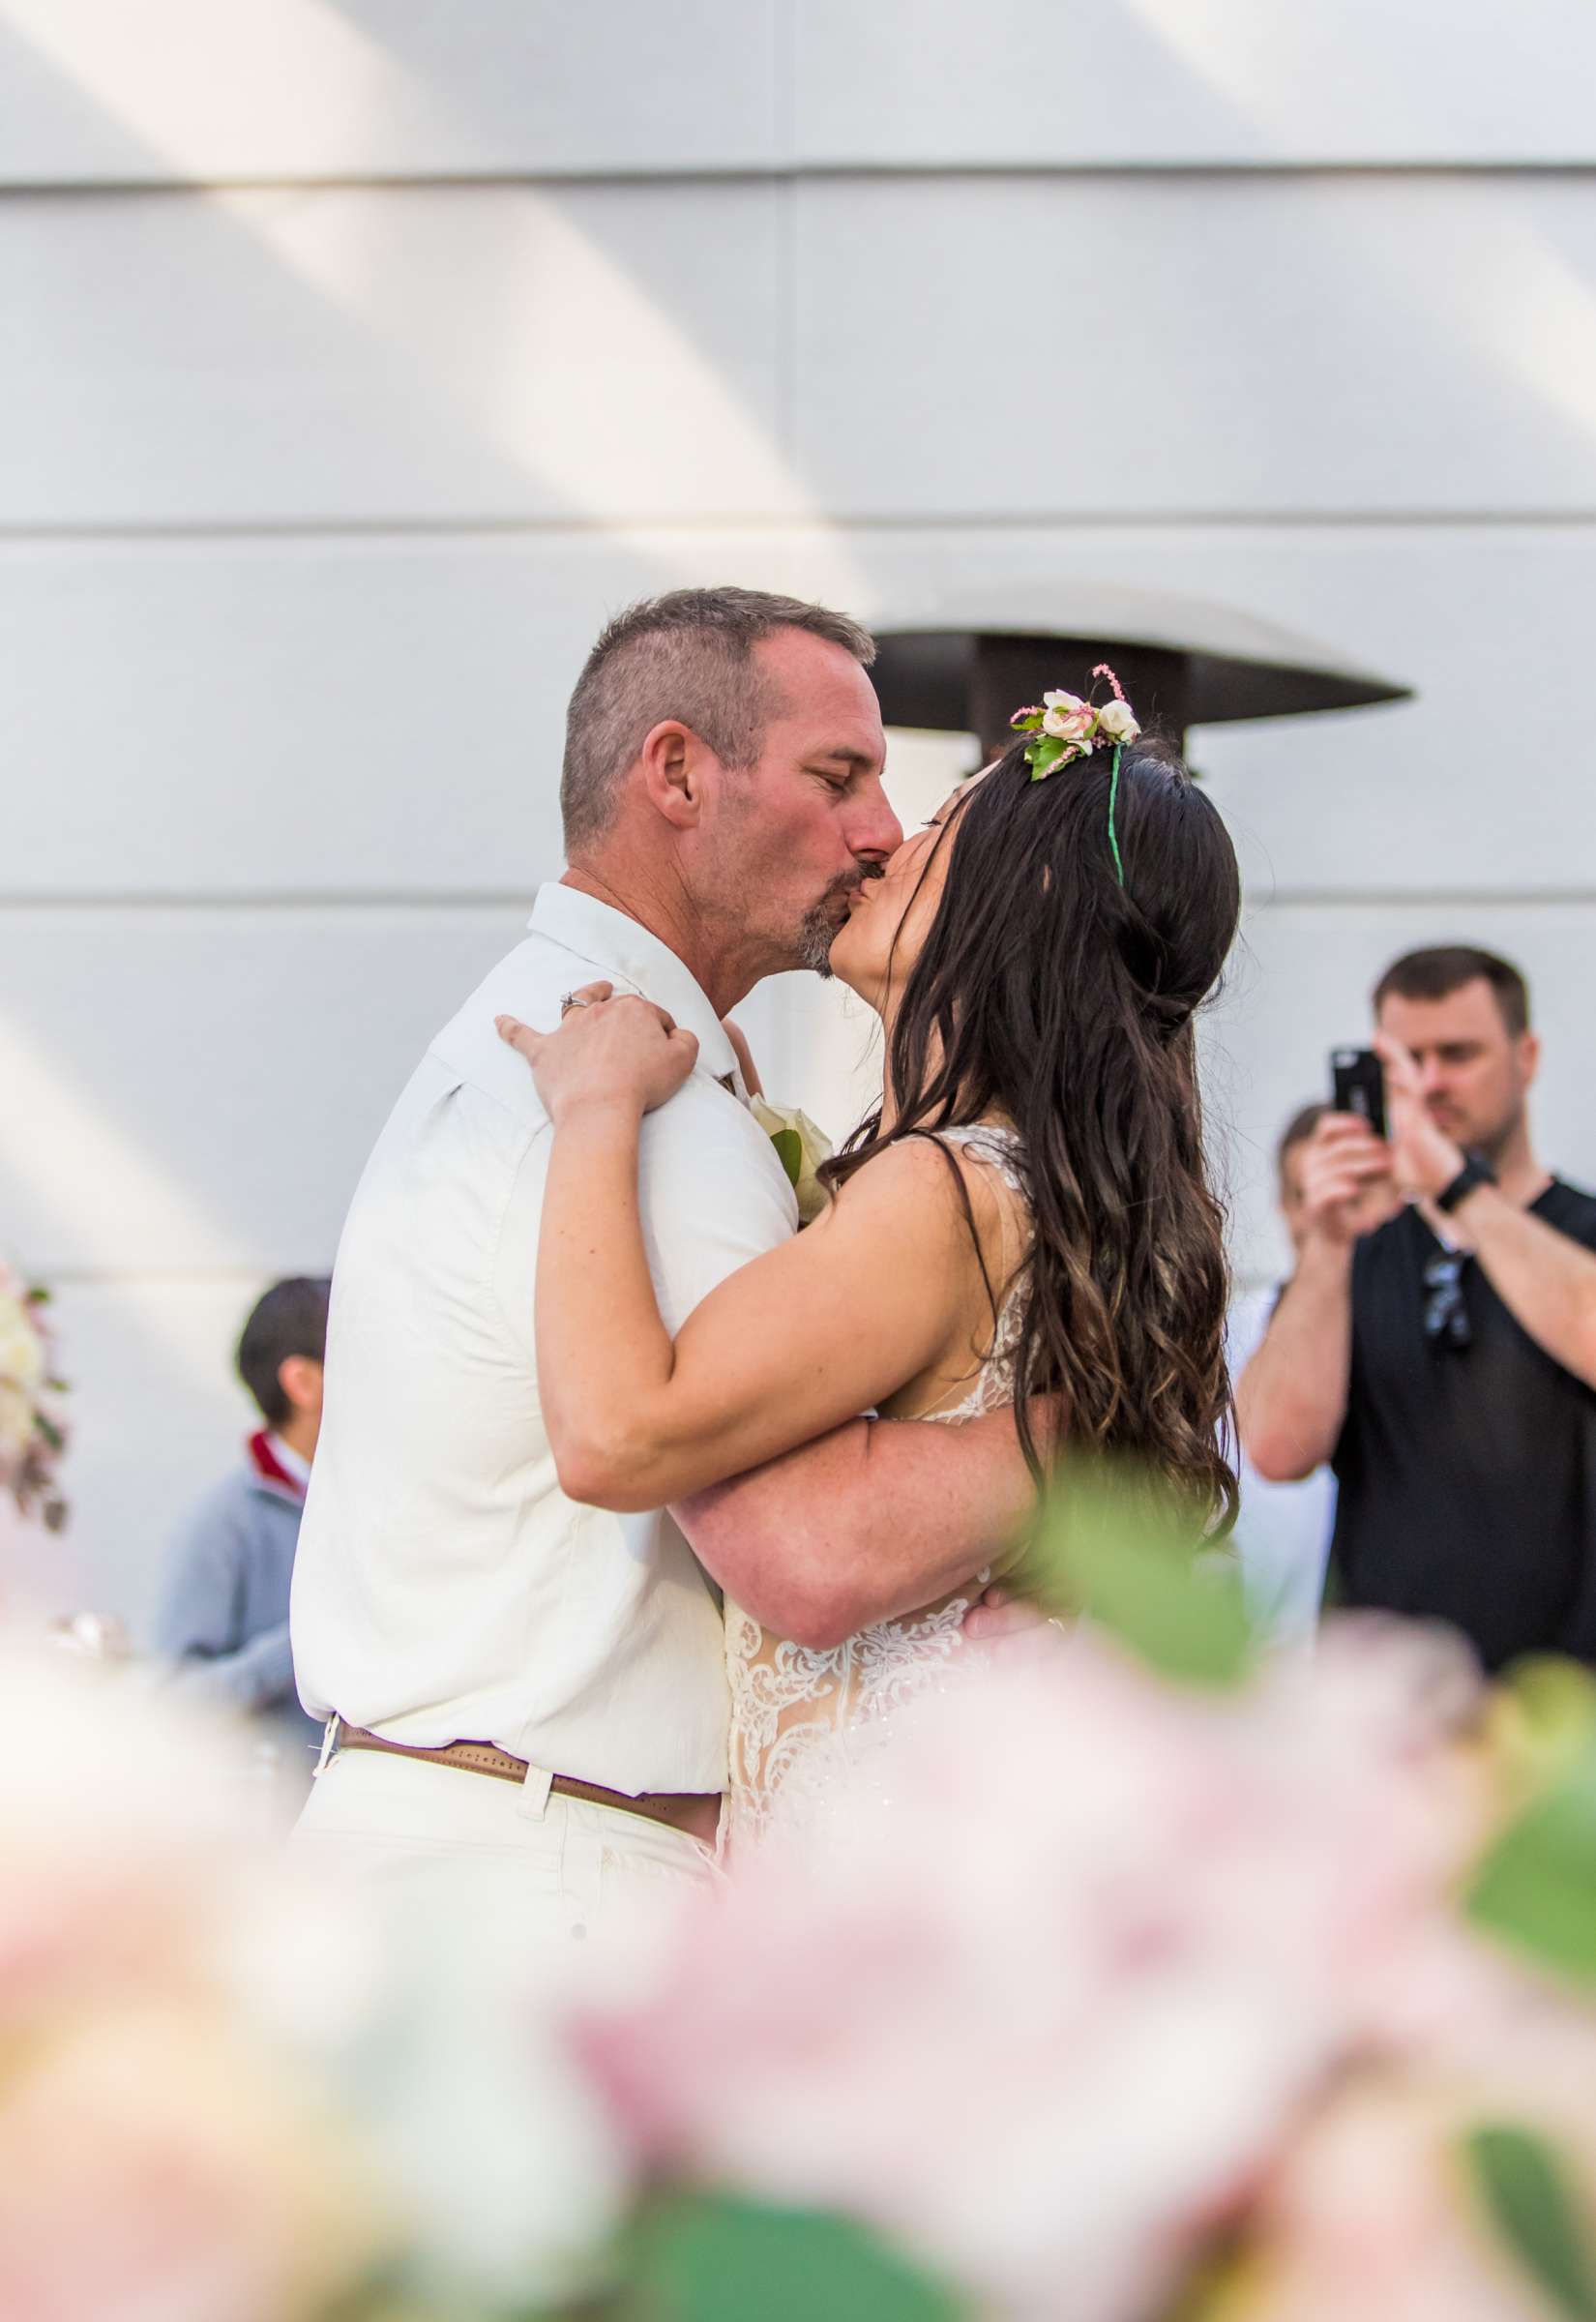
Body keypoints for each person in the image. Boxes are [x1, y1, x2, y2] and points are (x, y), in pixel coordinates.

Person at [292, 588, 1050, 1943]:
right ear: (678, 773)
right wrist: (1100, 1435)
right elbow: (797, 1540)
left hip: (461, 1849)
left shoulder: (549, 1044)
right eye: (839, 777)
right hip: (544, 1887)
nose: (877, 833)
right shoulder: (646, 1107)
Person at [497, 671, 1242, 1846]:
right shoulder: (1038, 1197)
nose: (885, 844)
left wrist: (594, 1112)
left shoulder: (943, 1192)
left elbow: (616, 1430)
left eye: (938, 830)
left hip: (880, 1869)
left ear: (1021, 893)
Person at [1238, 945, 1596, 1671]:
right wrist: (1329, 1243)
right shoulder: (1350, 1254)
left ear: (1525, 1058)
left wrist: (1456, 1188)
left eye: (1458, 1054)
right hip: (1384, 1718)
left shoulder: (1581, 1233)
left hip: (1563, 1717)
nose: (1432, 1084)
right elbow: (1274, 1450)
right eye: (1409, 1060)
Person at [153, 1277, 329, 1779]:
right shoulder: (224, 1522)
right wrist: (303, 1641)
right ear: (304, 1383)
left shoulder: (385, 1504)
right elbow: (176, 1706)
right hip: (275, 1832)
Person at [1227, 1105, 1336, 1648]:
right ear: (1282, 1206)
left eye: (1342, 1191)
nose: (1323, 1216)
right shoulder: (1229, 1334)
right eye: (1304, 1196)